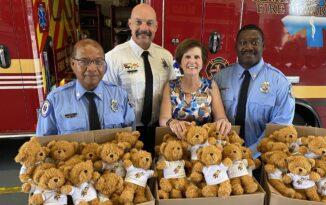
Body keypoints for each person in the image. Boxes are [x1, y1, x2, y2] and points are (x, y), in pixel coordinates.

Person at [103, 3, 175, 153]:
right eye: (138, 22)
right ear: (130, 24)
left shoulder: (166, 56)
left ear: (156, 26)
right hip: (127, 132)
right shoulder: (113, 58)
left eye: (149, 23)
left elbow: (173, 92)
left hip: (160, 128)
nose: (144, 28)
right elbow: (106, 99)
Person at [214, 24, 295, 157]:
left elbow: (280, 126)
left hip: (261, 158)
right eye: (243, 43)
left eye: (255, 42)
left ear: (263, 46)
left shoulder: (279, 82)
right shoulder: (219, 78)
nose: (248, 47)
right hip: (223, 156)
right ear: (236, 47)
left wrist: (250, 153)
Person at [36, 39, 135, 136]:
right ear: (73, 64)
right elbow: (44, 144)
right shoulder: (55, 100)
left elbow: (131, 137)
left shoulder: (120, 95)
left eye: (98, 61)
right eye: (84, 61)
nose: (92, 68)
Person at [159, 39, 231, 139]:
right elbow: (163, 119)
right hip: (177, 143)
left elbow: (220, 117)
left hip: (204, 145)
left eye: (197, 57)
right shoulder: (170, 86)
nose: (192, 61)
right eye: (187, 57)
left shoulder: (211, 86)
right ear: (180, 62)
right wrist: (172, 122)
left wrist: (223, 121)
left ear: (202, 62)